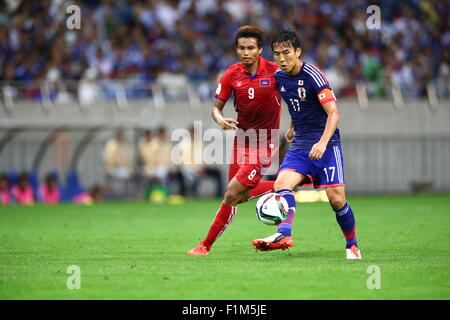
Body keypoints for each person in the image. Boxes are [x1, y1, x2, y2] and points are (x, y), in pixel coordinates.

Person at [252, 30, 361, 259]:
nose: (281, 59)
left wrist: (322, 143)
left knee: (337, 200)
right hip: (301, 143)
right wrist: (292, 126)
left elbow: (334, 113)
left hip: (327, 144)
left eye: (286, 53)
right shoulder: (280, 77)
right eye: (277, 54)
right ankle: (284, 234)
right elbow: (297, 102)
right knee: (281, 184)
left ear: (298, 51)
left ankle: (352, 245)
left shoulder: (313, 75)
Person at [187, 25, 282, 255]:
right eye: (241, 48)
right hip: (242, 141)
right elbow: (215, 109)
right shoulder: (231, 74)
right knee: (240, 197)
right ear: (236, 49)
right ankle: (286, 186)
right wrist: (220, 119)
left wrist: (297, 128)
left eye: (251, 48)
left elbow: (298, 102)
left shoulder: (276, 72)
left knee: (231, 193)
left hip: (264, 142)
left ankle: (205, 245)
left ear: (260, 49)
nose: (246, 52)